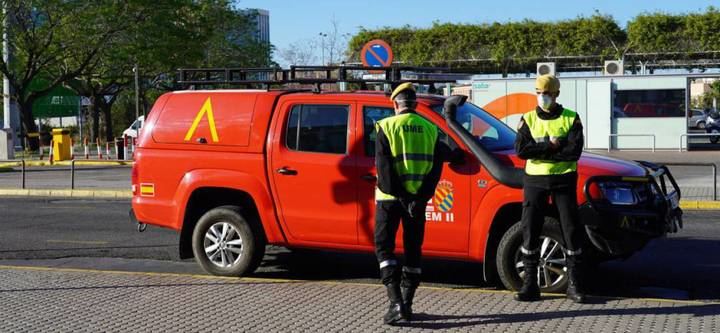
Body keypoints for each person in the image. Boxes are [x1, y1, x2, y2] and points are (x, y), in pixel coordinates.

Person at [374, 82, 447, 325]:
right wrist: (419, 198)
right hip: (417, 202)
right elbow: (435, 172)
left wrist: (402, 196)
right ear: (415, 104)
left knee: (384, 248)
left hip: (390, 201)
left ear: (395, 104)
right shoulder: (431, 129)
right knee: (413, 250)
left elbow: (384, 175)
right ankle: (408, 303)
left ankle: (395, 304)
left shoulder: (386, 126)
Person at [513, 74, 586, 303]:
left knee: (570, 229)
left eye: (546, 93)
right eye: (539, 93)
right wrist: (552, 146)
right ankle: (530, 285)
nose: (542, 97)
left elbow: (574, 152)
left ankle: (574, 286)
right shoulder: (527, 118)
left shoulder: (571, 118)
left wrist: (541, 150)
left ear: (556, 94)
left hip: (563, 180)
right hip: (535, 181)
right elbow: (522, 151)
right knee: (530, 230)